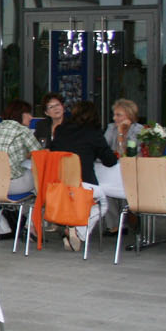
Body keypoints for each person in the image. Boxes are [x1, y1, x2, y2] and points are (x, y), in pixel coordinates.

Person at [48, 100, 118, 251]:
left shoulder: (60, 130)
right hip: (84, 184)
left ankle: (71, 228)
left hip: (60, 185)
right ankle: (79, 232)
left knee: (80, 200)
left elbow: (53, 151)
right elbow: (110, 161)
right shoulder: (93, 132)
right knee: (102, 203)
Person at [0, 99, 39, 198]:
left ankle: (9, 212)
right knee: (38, 176)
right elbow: (40, 155)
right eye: (28, 113)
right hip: (12, 185)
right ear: (20, 114)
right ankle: (34, 211)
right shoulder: (23, 131)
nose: (31, 117)